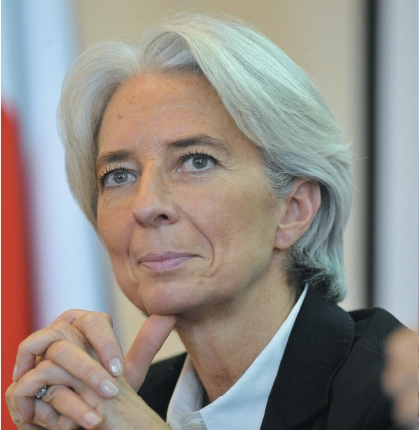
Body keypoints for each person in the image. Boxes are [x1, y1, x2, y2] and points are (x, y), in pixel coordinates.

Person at [5, 13, 409, 430]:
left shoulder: (398, 398)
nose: (146, 205)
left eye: (196, 161)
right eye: (119, 175)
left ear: (294, 209)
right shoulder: (124, 404)